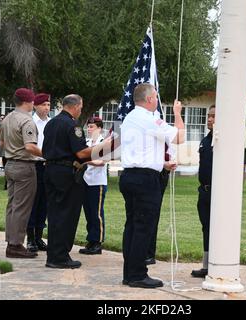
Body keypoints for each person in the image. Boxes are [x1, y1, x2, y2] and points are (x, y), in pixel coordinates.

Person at [120, 83, 185, 288]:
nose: (157, 101)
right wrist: (177, 113)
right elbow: (179, 137)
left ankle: (129, 273)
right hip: (144, 180)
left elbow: (143, 149)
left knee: (131, 225)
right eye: (155, 97)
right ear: (149, 100)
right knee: (144, 227)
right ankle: (138, 274)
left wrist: (161, 163)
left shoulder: (129, 117)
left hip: (129, 175)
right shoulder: (149, 119)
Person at [42, 94, 111, 269]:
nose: (81, 110)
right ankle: (61, 256)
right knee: (67, 215)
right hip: (66, 173)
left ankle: (54, 255)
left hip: (50, 170)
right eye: (80, 107)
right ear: (74, 106)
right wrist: (104, 146)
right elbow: (81, 153)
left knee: (55, 214)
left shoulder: (51, 123)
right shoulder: (73, 125)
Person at [0, 88, 42, 259]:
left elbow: (2, 142)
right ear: (27, 102)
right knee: (22, 208)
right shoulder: (27, 121)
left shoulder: (8, 118)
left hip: (10, 163)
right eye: (32, 101)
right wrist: (49, 154)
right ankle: (16, 245)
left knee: (12, 206)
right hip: (24, 165)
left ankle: (11, 241)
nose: (33, 104)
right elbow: (30, 146)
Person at [191, 105, 215, 278]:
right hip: (204, 191)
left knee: (217, 229)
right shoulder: (206, 140)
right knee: (206, 228)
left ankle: (218, 264)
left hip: (218, 193)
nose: (209, 119)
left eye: (213, 116)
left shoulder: (226, 141)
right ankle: (206, 265)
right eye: (209, 116)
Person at [79, 116, 108, 255]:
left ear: (99, 128)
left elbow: (101, 162)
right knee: (89, 213)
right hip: (86, 180)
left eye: (92, 127)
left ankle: (97, 242)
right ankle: (91, 240)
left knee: (97, 213)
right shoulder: (87, 142)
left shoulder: (104, 142)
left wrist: (86, 161)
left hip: (98, 182)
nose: (89, 129)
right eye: (88, 127)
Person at [26, 93, 51, 253]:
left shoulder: (51, 123)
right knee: (33, 202)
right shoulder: (30, 122)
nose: (46, 108)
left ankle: (39, 236)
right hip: (33, 164)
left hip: (47, 165)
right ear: (35, 105)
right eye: (43, 104)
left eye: (49, 105)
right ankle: (30, 238)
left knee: (44, 202)